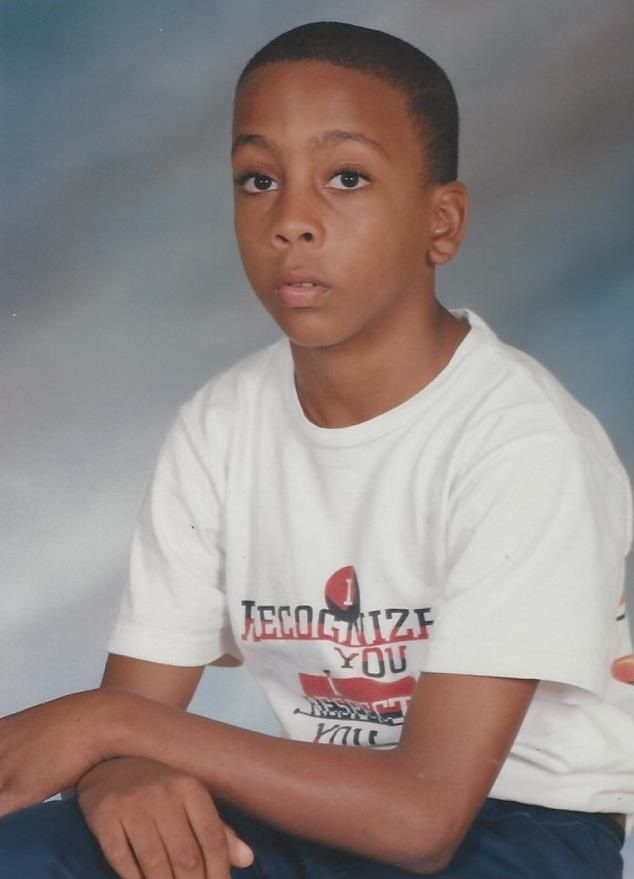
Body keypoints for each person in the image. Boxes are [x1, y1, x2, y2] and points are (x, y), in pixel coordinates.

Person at [0, 20, 632, 879]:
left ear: (441, 222)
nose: (291, 220)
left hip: (520, 831)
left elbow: (421, 820)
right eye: (258, 180)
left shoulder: (520, 441)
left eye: (347, 178)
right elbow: (128, 727)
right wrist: (119, 770)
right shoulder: (220, 427)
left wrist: (109, 729)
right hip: (315, 805)